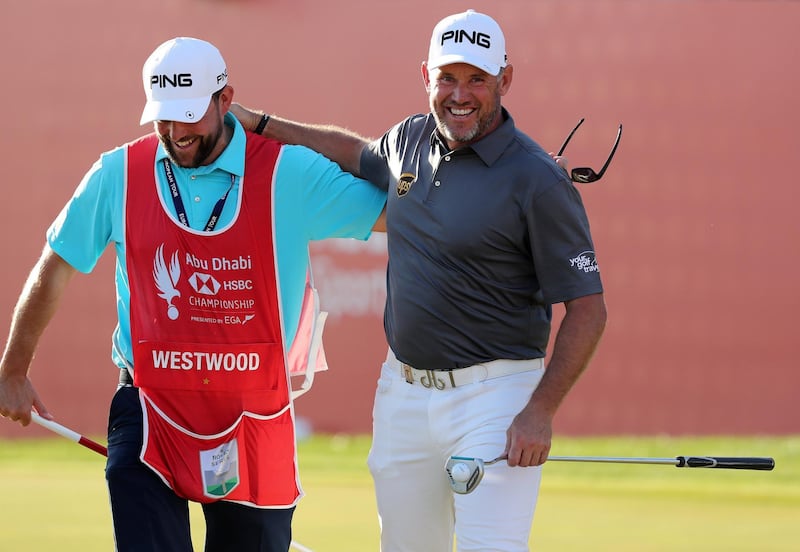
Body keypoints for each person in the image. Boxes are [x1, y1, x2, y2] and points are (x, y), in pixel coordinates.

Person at [232, 8, 607, 551]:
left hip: (495, 398)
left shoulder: (538, 180)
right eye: (447, 77)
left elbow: (589, 310)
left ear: (505, 79)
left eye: (477, 78)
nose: (460, 94)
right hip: (402, 394)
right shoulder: (411, 138)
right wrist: (263, 125)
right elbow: (354, 154)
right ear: (425, 76)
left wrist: (539, 411)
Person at [0, 37, 385, 552]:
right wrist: (13, 368)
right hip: (148, 404)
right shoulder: (118, 172)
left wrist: (269, 125)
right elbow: (56, 268)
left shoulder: (287, 172)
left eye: (189, 116)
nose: (176, 133)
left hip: (255, 414)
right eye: (164, 118)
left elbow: (394, 209)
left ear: (227, 101)